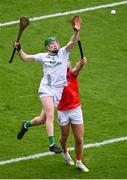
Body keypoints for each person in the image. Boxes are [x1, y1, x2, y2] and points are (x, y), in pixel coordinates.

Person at [13, 17, 81, 153]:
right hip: (46, 88)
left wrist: (76, 31)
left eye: (55, 43)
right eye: (51, 45)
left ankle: (26, 124)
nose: (54, 45)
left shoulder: (63, 53)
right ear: (47, 48)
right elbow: (25, 57)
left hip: (57, 91)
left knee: (42, 120)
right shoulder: (43, 56)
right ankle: (52, 144)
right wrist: (19, 49)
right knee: (50, 114)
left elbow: (73, 41)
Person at [57, 57, 89, 172]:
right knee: (64, 136)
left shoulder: (72, 73)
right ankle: (65, 153)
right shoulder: (56, 77)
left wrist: (81, 64)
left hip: (75, 110)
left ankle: (79, 162)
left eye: (68, 61)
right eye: (65, 61)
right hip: (63, 111)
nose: (68, 63)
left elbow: (77, 68)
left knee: (79, 139)